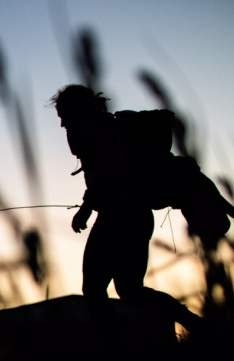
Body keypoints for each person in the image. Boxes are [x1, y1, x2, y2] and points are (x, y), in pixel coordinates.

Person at [49, 84, 206, 335]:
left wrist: (86, 209)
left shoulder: (95, 132)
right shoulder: (111, 128)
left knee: (94, 288)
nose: (62, 125)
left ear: (77, 111)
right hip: (138, 216)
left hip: (118, 217)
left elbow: (109, 176)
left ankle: (112, 346)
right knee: (131, 290)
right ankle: (195, 324)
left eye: (63, 117)